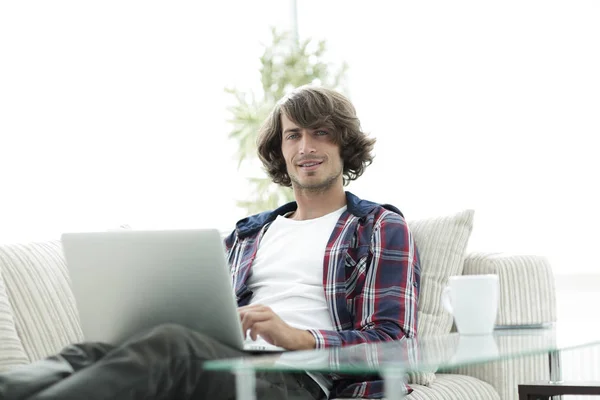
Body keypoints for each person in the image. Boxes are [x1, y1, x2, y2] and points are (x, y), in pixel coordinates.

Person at [0, 86, 420, 400]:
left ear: (344, 144)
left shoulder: (378, 227)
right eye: (293, 135)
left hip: (300, 380)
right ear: (280, 148)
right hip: (227, 359)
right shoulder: (249, 233)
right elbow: (204, 311)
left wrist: (298, 337)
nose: (305, 147)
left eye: (321, 133)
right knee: (92, 351)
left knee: (172, 348)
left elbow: (395, 343)